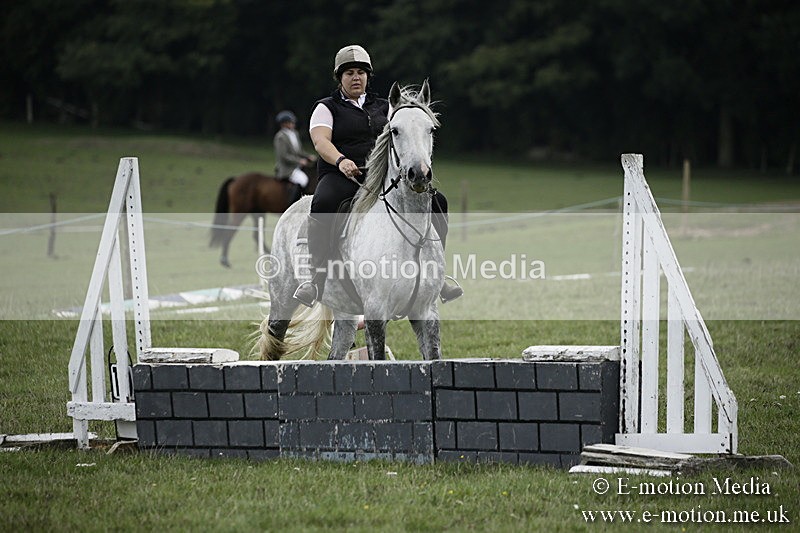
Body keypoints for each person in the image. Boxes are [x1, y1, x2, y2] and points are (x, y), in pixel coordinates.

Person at [292, 44, 463, 307]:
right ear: (339, 77)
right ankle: (315, 279)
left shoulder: (386, 107)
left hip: (382, 177)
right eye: (349, 73)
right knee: (323, 202)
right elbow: (320, 141)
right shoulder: (326, 108)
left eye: (361, 72)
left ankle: (437, 274)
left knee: (438, 201)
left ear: (368, 76)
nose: (356, 77)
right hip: (341, 175)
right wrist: (341, 160)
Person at [274, 110, 314, 206]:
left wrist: (308, 156)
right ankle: (292, 205)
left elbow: (298, 151)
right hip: (287, 168)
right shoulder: (280, 137)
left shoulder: (294, 134)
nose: (293, 124)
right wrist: (299, 161)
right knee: (303, 180)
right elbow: (284, 156)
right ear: (284, 124)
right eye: (290, 122)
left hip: (297, 166)